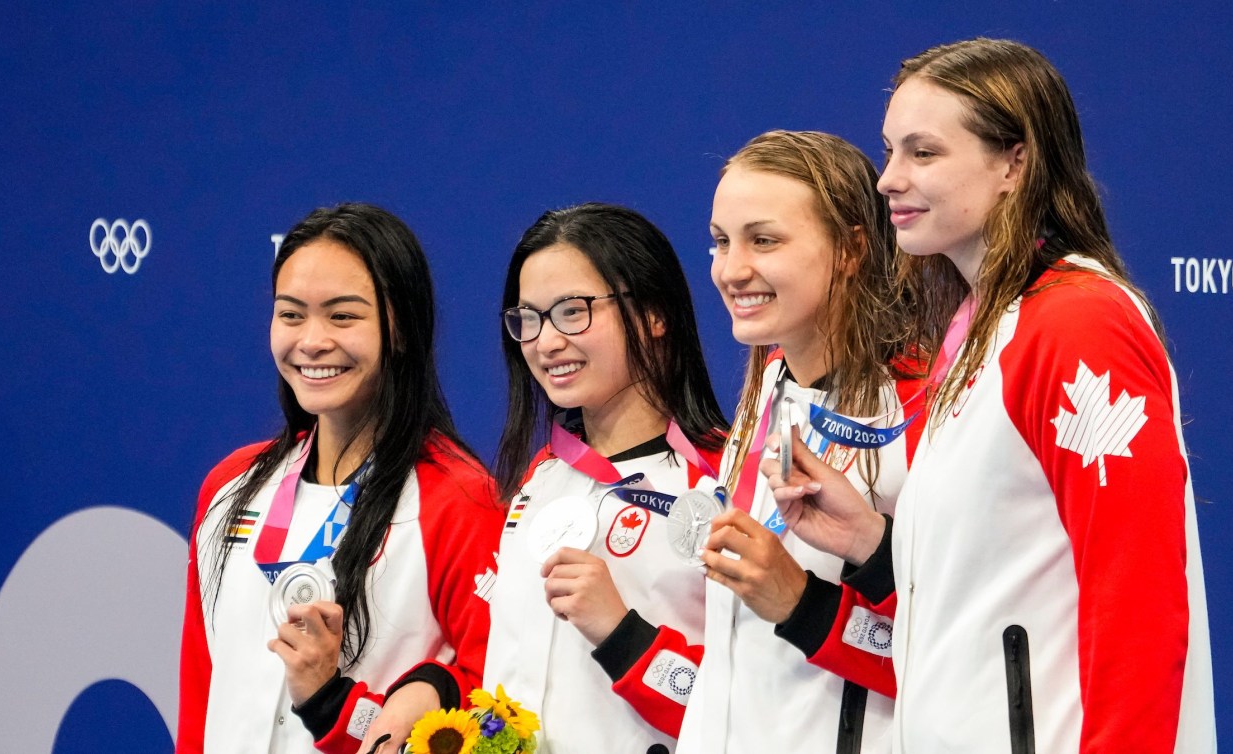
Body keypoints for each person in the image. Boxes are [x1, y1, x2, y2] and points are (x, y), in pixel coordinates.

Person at [766, 39, 1216, 753]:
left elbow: (1137, 597)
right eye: (890, 151)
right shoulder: (981, 334)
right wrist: (870, 542)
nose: (888, 179)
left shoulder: (1077, 322)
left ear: (1015, 162)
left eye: (924, 153)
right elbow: (998, 588)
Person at [177, 203, 503, 754]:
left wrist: (334, 705)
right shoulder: (230, 486)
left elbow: (494, 714)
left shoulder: (457, 498)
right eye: (291, 314)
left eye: (342, 316)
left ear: (398, 327)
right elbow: (201, 695)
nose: (311, 341)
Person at [676, 130, 919, 754]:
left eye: (764, 240)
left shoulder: (922, 409)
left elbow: (952, 655)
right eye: (720, 241)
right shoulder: (768, 388)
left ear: (851, 249)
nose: (731, 269)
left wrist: (803, 607)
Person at [484, 203, 728, 752]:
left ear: (654, 314)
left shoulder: (721, 481)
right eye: (528, 318)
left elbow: (753, 704)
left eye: (573, 312)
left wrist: (623, 635)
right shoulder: (538, 482)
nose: (545, 343)